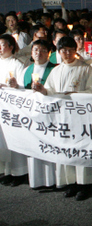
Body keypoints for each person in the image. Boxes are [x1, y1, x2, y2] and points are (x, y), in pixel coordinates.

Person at [39, 36, 92, 201]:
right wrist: (42, 90)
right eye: (63, 50)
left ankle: (85, 185)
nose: (67, 53)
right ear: (59, 52)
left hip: (81, 116)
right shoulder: (56, 70)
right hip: (62, 118)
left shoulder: (86, 69)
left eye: (70, 49)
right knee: (65, 149)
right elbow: (50, 90)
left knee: (82, 149)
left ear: (75, 50)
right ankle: (71, 183)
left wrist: (75, 95)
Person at [23, 39, 57, 189]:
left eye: (43, 50)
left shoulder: (55, 69)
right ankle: (37, 180)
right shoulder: (26, 70)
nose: (39, 53)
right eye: (36, 50)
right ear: (31, 53)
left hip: (50, 114)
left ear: (49, 53)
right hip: (31, 114)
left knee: (49, 145)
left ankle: (53, 180)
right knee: (34, 146)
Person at [0, 34, 27, 187]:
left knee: (14, 139)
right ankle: (6, 171)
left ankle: (19, 172)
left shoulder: (17, 64)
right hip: (0, 108)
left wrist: (14, 86)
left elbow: (22, 86)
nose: (0, 48)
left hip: (12, 109)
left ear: (11, 47)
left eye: (2, 44)